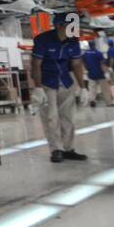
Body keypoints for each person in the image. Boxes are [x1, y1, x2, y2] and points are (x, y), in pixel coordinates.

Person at [30, 11, 89, 163]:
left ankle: (69, 149)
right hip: (47, 82)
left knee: (68, 118)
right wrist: (37, 88)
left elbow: (76, 64)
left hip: (65, 81)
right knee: (51, 117)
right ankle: (56, 149)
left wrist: (83, 88)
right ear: (59, 26)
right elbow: (36, 64)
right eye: (71, 26)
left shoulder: (74, 41)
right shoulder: (43, 40)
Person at [82, 39, 113, 107]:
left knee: (92, 89)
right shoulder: (98, 53)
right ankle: (109, 102)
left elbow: (83, 64)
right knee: (105, 89)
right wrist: (106, 72)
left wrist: (86, 70)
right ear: (95, 45)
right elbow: (102, 64)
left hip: (91, 74)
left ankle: (92, 100)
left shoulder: (85, 54)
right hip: (100, 74)